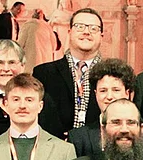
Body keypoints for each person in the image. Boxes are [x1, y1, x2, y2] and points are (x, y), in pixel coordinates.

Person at [67, 58, 143, 160]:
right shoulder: (78, 137)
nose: (109, 96)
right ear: (96, 94)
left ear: (127, 93)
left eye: (116, 90)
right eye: (103, 90)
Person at [33, 7, 104, 139]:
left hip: (98, 152)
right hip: (55, 150)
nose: (86, 32)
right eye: (80, 27)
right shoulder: (44, 73)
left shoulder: (113, 75)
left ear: (101, 36)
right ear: (69, 32)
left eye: (93, 28)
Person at [18, 9, 60, 73]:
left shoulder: (27, 26)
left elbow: (20, 44)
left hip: (31, 61)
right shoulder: (48, 28)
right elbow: (54, 46)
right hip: (46, 61)